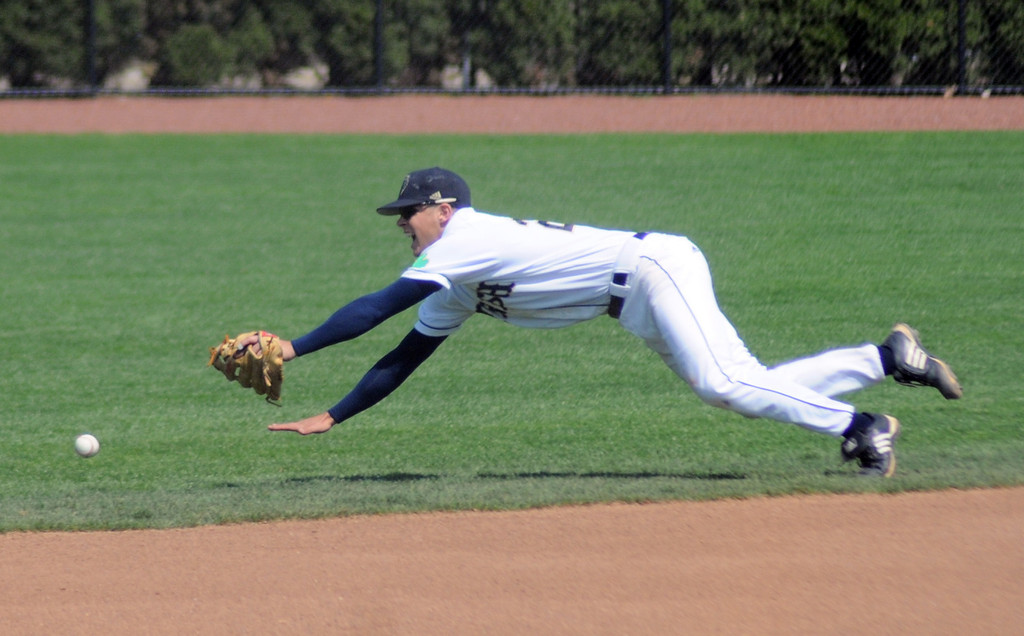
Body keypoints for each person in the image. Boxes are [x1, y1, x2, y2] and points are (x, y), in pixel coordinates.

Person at [254, 167, 961, 477]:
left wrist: (295, 345)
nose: (402, 225)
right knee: (744, 386)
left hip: (652, 270)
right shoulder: (458, 280)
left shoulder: (464, 235)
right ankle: (886, 360)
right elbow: (405, 353)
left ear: (442, 208)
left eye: (407, 213)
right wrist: (336, 415)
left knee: (724, 385)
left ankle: (863, 427)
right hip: (635, 297)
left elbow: (377, 307)